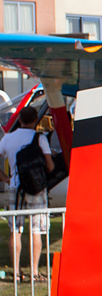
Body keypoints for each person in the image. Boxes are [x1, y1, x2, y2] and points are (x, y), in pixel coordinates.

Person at [0, 106, 56, 282]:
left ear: (20, 120)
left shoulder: (8, 138)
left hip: (15, 188)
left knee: (15, 230)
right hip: (36, 189)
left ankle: (16, 273)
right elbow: (50, 166)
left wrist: (6, 178)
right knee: (35, 231)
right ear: (34, 120)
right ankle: (33, 272)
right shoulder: (39, 138)